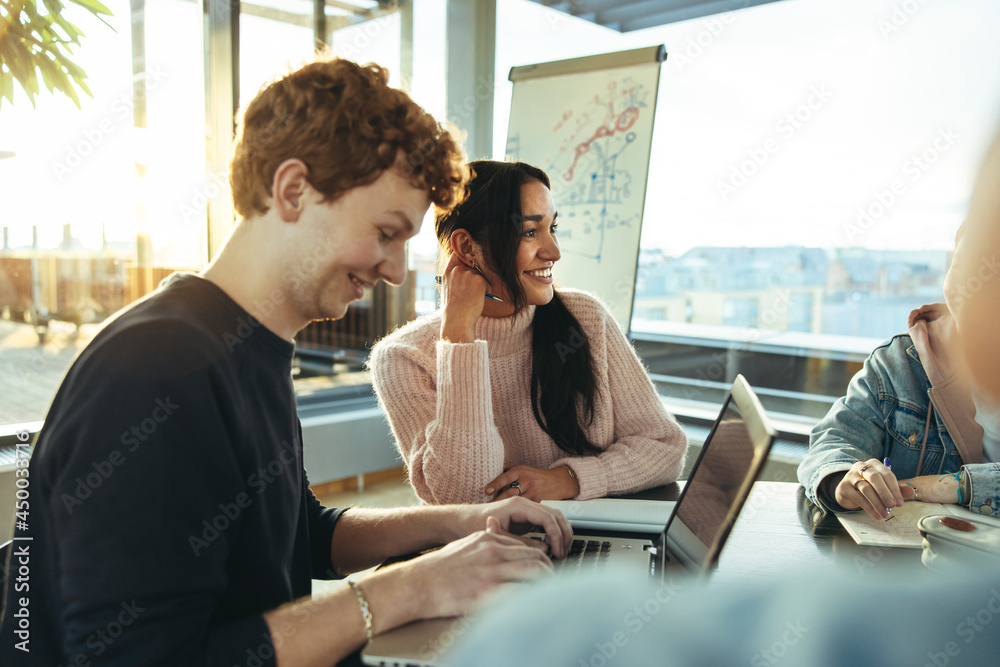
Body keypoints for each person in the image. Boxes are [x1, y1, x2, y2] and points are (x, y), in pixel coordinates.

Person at [0, 59, 573, 667]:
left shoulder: (249, 347)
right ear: (293, 190)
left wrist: (463, 522)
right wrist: (408, 587)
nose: (396, 270)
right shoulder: (161, 369)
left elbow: (304, 534)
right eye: (384, 232)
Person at [369, 160, 687, 505]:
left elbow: (663, 447)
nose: (554, 252)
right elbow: (464, 498)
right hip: (490, 551)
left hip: (588, 539)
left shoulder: (586, 319)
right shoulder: (404, 358)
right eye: (530, 232)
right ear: (467, 248)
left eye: (553, 228)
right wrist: (459, 337)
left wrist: (568, 480)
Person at [799, 234, 1000, 520]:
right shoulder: (901, 361)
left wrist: (958, 486)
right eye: (964, 266)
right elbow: (832, 441)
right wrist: (844, 477)